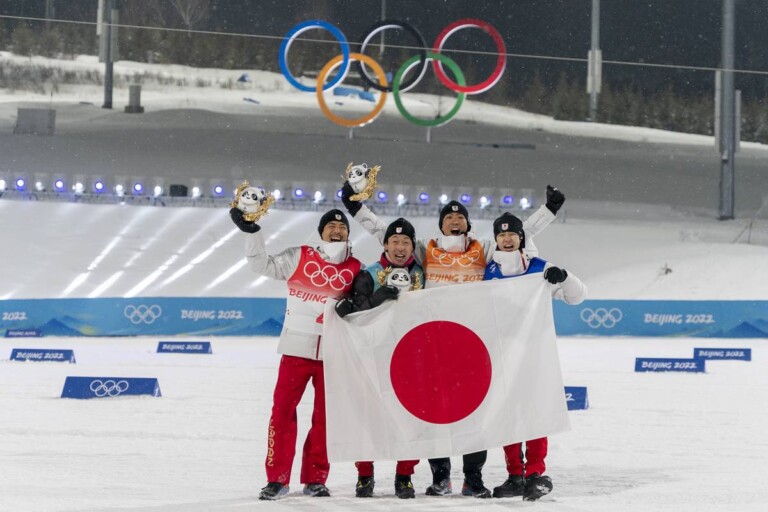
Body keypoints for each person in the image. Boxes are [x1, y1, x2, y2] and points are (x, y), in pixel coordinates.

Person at [341, 182, 566, 498]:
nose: (455, 220)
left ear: (468, 225)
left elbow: (515, 235)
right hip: (433, 344)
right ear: (441, 224)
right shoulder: (427, 249)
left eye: (460, 217)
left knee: (475, 413)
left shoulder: (482, 248)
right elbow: (388, 235)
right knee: (436, 414)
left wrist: (549, 211)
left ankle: (472, 478)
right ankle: (441, 477)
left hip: (473, 344)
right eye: (449, 217)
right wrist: (356, 208)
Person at [230, 207, 363, 500]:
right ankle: (277, 479)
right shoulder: (299, 256)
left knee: (326, 418)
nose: (336, 230)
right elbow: (260, 265)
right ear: (321, 232)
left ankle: (315, 478)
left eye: (342, 227)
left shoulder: (356, 268)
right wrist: (252, 234)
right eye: (330, 226)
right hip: (295, 350)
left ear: (349, 235)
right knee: (282, 413)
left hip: (333, 354)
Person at [484, 212, 587, 501]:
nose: (507, 239)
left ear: (521, 238)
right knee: (508, 418)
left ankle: (535, 474)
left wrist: (565, 278)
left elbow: (577, 296)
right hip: (501, 356)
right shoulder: (487, 271)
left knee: (536, 416)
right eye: (502, 235)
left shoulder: (540, 268)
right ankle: (515, 475)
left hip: (534, 357)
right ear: (496, 239)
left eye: (512, 234)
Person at [335, 217, 423, 500]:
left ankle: (405, 476)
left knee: (409, 417)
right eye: (395, 241)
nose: (400, 247)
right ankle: (364, 475)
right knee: (367, 416)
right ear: (385, 245)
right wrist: (374, 301)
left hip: (410, 357)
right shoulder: (369, 274)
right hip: (372, 356)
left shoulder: (423, 274)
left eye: (406, 242)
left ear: (412, 246)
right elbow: (355, 312)